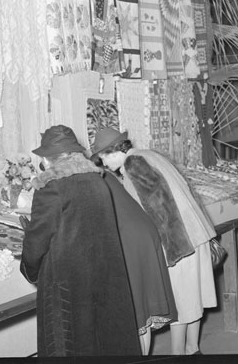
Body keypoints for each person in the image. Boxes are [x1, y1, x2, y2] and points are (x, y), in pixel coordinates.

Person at [90, 128, 218, 355]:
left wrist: (171, 252)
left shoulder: (132, 165)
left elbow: (160, 209)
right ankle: (192, 348)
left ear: (112, 152)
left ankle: (178, 354)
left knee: (180, 302)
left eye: (102, 157)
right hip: (196, 232)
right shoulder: (150, 154)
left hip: (180, 240)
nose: (103, 163)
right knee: (193, 298)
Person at [20, 125, 141, 356]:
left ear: (47, 158)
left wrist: (29, 270)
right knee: (101, 339)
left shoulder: (51, 188)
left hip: (66, 280)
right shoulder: (99, 180)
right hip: (102, 273)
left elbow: (36, 241)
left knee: (67, 342)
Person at [100, 167, 178, 355]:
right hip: (143, 232)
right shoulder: (104, 173)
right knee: (144, 308)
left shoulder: (87, 179)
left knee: (136, 312)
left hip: (128, 238)